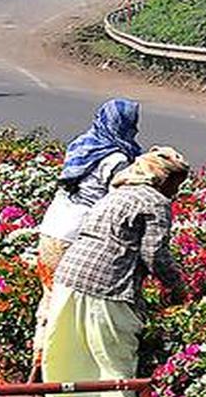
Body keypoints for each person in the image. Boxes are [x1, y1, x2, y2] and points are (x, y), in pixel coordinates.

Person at [40, 146, 190, 397]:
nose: (176, 191)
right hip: (108, 282)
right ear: (161, 178)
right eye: (175, 183)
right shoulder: (155, 202)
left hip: (70, 275)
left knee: (71, 346)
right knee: (115, 353)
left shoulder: (118, 191)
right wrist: (176, 286)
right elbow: (154, 253)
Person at [30, 99, 144, 382]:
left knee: (50, 298)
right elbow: (119, 200)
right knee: (71, 306)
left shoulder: (83, 144)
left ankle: (37, 365)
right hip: (78, 236)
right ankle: (62, 373)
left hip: (51, 230)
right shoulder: (116, 159)